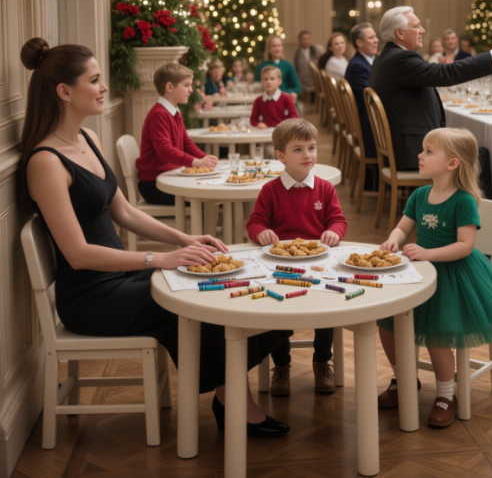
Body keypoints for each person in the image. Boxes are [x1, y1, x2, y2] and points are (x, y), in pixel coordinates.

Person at [19, 38, 291, 438]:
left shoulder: (87, 140)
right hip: (91, 296)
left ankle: (230, 398)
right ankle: (234, 405)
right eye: (95, 80)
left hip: (119, 279)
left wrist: (185, 239)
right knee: (201, 298)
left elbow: (125, 212)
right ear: (64, 91)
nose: (104, 88)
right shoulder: (45, 161)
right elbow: (77, 255)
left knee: (222, 284)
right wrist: (160, 260)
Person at [376, 128, 492, 427]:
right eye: (423, 149)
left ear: (452, 163)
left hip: (452, 275)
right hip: (418, 271)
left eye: (429, 151)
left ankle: (446, 395)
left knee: (437, 336)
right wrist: (393, 239)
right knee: (387, 324)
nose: (420, 155)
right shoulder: (419, 195)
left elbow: (465, 246)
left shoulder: (463, 201)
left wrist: (428, 253)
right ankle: (403, 378)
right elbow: (403, 228)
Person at [247, 119, 347, 395]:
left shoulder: (325, 188)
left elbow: (338, 220)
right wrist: (263, 232)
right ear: (281, 156)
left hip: (318, 262)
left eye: (312, 148)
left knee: (327, 306)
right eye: (299, 149)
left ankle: (321, 361)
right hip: (280, 265)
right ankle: (281, 365)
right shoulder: (270, 190)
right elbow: (254, 223)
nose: (307, 155)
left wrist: (333, 232)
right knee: (276, 309)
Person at [369, 6, 492, 171]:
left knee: (475, 150)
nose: (423, 30)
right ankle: (470, 199)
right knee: (478, 156)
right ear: (400, 33)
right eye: (416, 26)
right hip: (411, 152)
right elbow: (448, 73)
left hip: (404, 146)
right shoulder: (400, 59)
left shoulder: (386, 57)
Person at [136, 63, 218, 205]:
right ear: (169, 88)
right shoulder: (159, 114)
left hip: (168, 178)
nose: (191, 90)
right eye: (186, 85)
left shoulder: (174, 111)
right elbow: (165, 151)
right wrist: (196, 163)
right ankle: (200, 227)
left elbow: (186, 143)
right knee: (209, 197)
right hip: (155, 185)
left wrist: (204, 158)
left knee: (213, 191)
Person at [345, 23, 379, 162]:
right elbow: (371, 98)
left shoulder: (373, 60)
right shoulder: (357, 66)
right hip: (370, 127)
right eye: (371, 37)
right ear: (359, 42)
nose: (377, 40)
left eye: (375, 36)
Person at [256, 35, 302, 102]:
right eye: (274, 46)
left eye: (279, 46)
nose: (277, 48)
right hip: (267, 99)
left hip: (284, 98)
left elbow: (297, 86)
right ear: (269, 48)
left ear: (282, 48)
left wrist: (290, 93)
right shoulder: (262, 66)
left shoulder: (288, 65)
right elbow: (256, 85)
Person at [293, 30, 323, 102]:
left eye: (308, 39)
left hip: (314, 79)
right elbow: (297, 68)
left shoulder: (315, 50)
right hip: (303, 81)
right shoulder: (297, 53)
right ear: (300, 40)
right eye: (303, 39)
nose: (306, 41)